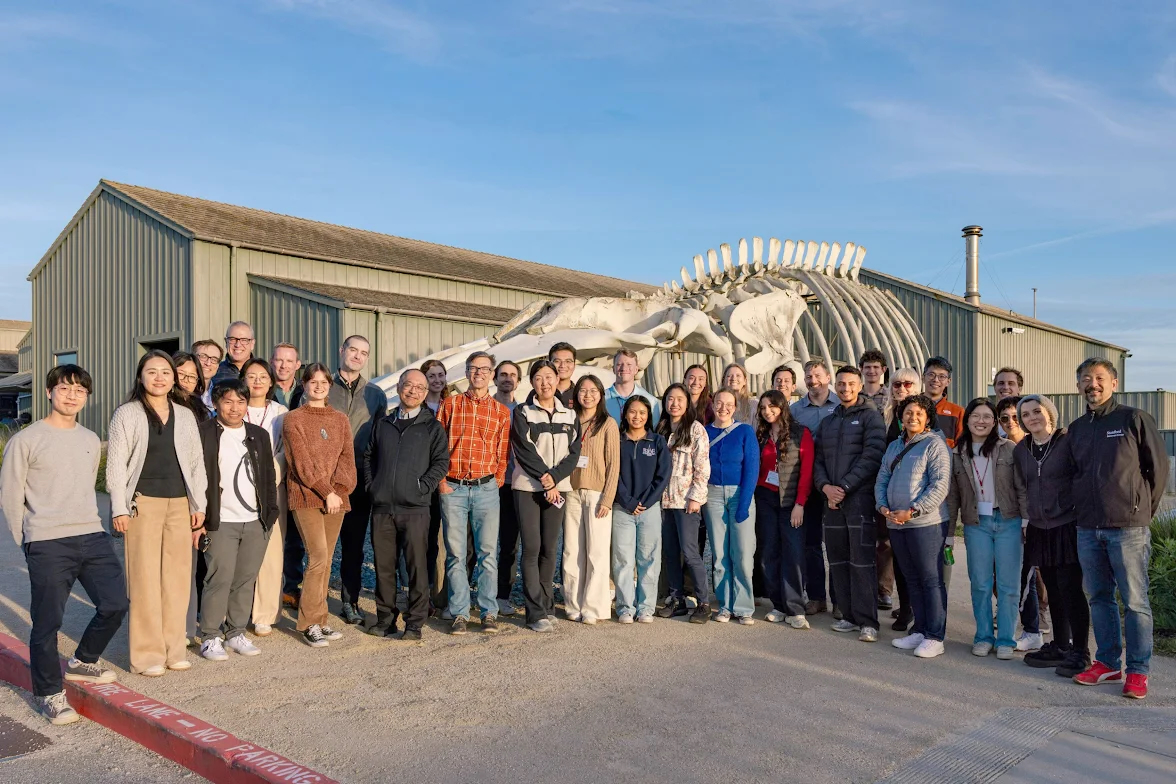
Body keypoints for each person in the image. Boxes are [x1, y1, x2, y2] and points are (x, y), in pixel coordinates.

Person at [0, 365, 128, 725]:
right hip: (47, 540)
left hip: (91, 534)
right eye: (64, 388)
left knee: (115, 603)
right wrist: (28, 543)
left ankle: (83, 661)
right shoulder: (25, 441)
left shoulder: (89, 439)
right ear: (48, 392)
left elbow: (86, 487)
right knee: (46, 623)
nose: (72, 395)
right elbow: (10, 499)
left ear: (86, 397)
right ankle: (49, 694)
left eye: (79, 390)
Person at [1066, 358, 1168, 699]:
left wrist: (1141, 511)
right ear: (1078, 385)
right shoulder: (1078, 428)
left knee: (1135, 602)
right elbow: (1074, 475)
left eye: (1098, 378)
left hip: (1128, 528)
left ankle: (1138, 671)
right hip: (1088, 528)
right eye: (1085, 379)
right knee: (1099, 597)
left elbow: (1158, 469)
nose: (1091, 384)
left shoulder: (1133, 419)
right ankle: (1108, 663)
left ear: (1113, 382)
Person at [107, 351, 207, 676]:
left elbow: (196, 465)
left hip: (179, 504)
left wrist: (199, 505)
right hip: (142, 503)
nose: (160, 377)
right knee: (144, 580)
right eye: (152, 372)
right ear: (141, 377)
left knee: (177, 580)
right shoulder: (127, 414)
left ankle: (174, 649)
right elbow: (116, 465)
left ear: (174, 378)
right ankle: (148, 656)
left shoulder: (185, 415)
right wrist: (118, 507)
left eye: (166, 372)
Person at [363, 369, 449, 641]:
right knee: (384, 566)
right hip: (382, 508)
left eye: (419, 388)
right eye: (407, 385)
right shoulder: (384, 423)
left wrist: (422, 487)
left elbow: (440, 463)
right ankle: (385, 619)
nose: (412, 391)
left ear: (425, 394)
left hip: (415, 509)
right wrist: (372, 486)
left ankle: (414, 623)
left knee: (416, 566)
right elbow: (368, 457)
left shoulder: (432, 426)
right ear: (399, 387)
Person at [197, 379, 279, 661]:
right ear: (216, 403)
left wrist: (270, 512)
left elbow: (268, 475)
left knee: (245, 578)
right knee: (218, 577)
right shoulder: (204, 432)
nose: (234, 407)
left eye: (240, 401)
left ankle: (235, 632)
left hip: (255, 520)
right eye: (228, 401)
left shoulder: (258, 434)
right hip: (220, 520)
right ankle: (209, 636)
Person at [1014, 394, 1090, 678]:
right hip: (1038, 527)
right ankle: (1060, 644)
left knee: (1071, 590)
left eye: (1037, 411)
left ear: (1049, 413)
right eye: (1026, 415)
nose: (1032, 418)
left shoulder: (1067, 441)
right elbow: (1023, 485)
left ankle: (1080, 651)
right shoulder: (1022, 449)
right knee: (1053, 590)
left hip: (1067, 525)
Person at [946, 398, 1027, 660]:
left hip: (1008, 521)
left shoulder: (1008, 449)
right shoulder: (958, 453)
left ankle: (1006, 638)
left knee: (1008, 584)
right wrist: (949, 534)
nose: (981, 421)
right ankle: (983, 636)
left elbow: (1021, 488)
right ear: (967, 420)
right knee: (980, 583)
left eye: (987, 417)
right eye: (975, 416)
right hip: (976, 525)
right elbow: (953, 497)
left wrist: (1026, 522)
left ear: (994, 422)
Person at [283, 363, 357, 648]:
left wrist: (338, 491)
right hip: (306, 496)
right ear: (304, 385)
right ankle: (309, 623)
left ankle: (321, 619)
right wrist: (326, 491)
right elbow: (301, 464)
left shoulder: (340, 420)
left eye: (323, 381)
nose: (318, 385)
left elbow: (347, 460)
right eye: (312, 381)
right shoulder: (294, 419)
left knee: (326, 563)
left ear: (329, 386)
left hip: (336, 499)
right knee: (317, 558)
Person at [437, 351, 511, 635]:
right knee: (455, 554)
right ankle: (459, 613)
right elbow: (439, 445)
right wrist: (442, 481)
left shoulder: (501, 412)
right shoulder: (450, 404)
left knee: (488, 553)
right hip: (453, 487)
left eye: (484, 368)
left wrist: (497, 479)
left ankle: (488, 611)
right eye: (473, 368)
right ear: (466, 373)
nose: (479, 372)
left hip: (486, 488)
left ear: (491, 374)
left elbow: (502, 452)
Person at [875, 394, 952, 659]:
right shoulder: (894, 447)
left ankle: (935, 635)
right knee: (912, 579)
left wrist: (913, 510)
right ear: (901, 416)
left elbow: (939, 485)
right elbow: (882, 478)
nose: (913, 417)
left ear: (928, 417)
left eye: (919, 413)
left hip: (926, 523)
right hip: (896, 523)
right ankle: (919, 629)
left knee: (931, 579)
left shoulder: (934, 445)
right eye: (908, 412)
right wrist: (883, 506)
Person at [814, 366, 887, 642]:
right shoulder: (829, 421)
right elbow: (818, 459)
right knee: (839, 560)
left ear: (859, 386)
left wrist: (843, 487)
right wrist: (826, 488)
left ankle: (868, 622)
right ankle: (847, 615)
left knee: (862, 561)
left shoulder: (871, 418)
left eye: (851, 384)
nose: (845, 388)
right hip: (831, 501)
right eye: (841, 384)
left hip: (858, 500)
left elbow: (872, 456)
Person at [511, 359, 581, 632]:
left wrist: (555, 479)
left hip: (557, 489)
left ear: (557, 379)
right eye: (538, 378)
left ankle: (548, 604)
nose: (545, 382)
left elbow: (573, 453)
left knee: (550, 549)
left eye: (549, 377)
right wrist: (546, 479)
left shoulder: (570, 415)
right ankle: (534, 612)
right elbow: (524, 449)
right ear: (532, 383)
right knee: (531, 548)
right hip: (528, 488)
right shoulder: (523, 412)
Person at [331, 335, 389, 626]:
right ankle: (309, 600)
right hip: (325, 482)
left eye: (363, 352)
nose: (357, 356)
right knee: (320, 547)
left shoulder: (376, 395)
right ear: (342, 350)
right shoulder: (321, 386)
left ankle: (349, 601)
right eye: (352, 349)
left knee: (353, 546)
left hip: (357, 483)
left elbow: (380, 440)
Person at [753, 390, 815, 629]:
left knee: (793, 552)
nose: (767, 411)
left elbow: (806, 472)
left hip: (791, 501)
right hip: (765, 498)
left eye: (772, 406)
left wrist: (800, 504)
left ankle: (795, 608)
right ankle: (778, 604)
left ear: (782, 407)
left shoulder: (801, 433)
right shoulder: (761, 434)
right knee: (768, 551)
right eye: (763, 407)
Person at [238, 359, 289, 636]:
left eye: (262, 376)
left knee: (271, 551)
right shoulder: (234, 407)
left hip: (273, 486)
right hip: (236, 487)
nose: (256, 381)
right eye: (250, 376)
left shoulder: (281, 413)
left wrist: (270, 474)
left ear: (271, 382)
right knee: (239, 549)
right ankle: (236, 610)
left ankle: (265, 613)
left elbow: (286, 450)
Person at [564, 375, 619, 624]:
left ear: (600, 394)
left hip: (597, 494)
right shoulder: (569, 420)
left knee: (596, 552)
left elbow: (614, 464)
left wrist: (608, 498)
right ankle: (573, 604)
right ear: (576, 395)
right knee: (572, 551)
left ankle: (594, 608)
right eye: (582, 390)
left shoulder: (608, 424)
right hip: (571, 491)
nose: (588, 395)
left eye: (593, 390)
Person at [612, 397, 672, 624]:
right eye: (633, 412)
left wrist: (646, 502)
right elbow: (612, 473)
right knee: (623, 559)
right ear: (625, 414)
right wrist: (627, 501)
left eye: (642, 413)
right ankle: (625, 607)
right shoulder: (617, 441)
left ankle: (646, 608)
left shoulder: (656, 441)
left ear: (648, 416)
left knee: (648, 559)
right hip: (622, 509)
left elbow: (663, 475)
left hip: (649, 509)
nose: (637, 417)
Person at [881, 368, 933, 631]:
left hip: (918, 504)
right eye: (896, 383)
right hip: (892, 500)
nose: (901, 387)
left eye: (907, 383)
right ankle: (907, 608)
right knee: (899, 559)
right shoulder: (888, 416)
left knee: (918, 563)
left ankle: (922, 615)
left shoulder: (923, 420)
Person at [703, 388, 759, 624]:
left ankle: (744, 607)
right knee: (720, 554)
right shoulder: (704, 432)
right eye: (719, 402)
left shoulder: (745, 431)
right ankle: (725, 605)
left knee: (743, 554)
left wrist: (744, 503)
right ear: (713, 404)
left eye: (729, 404)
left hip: (740, 494)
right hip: (712, 494)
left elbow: (752, 467)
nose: (723, 407)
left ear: (735, 407)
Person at [656, 383, 711, 623]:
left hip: (686, 501)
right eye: (670, 398)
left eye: (679, 399)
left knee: (690, 553)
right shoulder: (661, 428)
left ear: (687, 403)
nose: (674, 403)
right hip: (664, 501)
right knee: (670, 553)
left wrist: (696, 497)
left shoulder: (696, 429)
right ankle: (676, 599)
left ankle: (703, 603)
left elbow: (702, 466)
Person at [791, 358, 839, 616]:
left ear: (828, 377)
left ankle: (840, 600)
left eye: (817, 375)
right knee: (811, 543)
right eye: (808, 376)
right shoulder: (796, 410)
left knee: (836, 544)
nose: (813, 380)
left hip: (835, 482)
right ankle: (817, 597)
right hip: (809, 481)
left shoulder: (841, 405)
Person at [492, 360, 524, 614]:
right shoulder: (487, 407)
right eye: (503, 374)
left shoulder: (523, 411)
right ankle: (480, 592)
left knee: (509, 543)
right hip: (487, 484)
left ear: (519, 381)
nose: (507, 378)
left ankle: (503, 595)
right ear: (495, 379)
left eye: (512, 375)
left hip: (514, 484)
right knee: (481, 543)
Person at [420, 358, 448, 609]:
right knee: (427, 539)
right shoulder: (417, 408)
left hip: (449, 481)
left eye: (441, 375)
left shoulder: (451, 406)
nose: (437, 380)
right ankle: (425, 592)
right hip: (424, 481)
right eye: (432, 376)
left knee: (449, 540)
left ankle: (444, 594)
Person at [604, 350, 660, 424]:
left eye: (629, 364)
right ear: (613, 369)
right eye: (619, 364)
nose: (624, 368)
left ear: (636, 370)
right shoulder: (600, 399)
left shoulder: (651, 401)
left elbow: (654, 431)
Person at [922, 357, 964, 448]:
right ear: (923, 377)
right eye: (931, 374)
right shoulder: (912, 408)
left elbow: (961, 447)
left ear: (948, 382)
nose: (936, 380)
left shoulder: (958, 412)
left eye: (942, 376)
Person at [211, 321, 256, 388]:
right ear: (226, 342)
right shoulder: (214, 372)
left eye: (244, 340)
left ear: (252, 344)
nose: (237, 345)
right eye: (232, 339)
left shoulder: (263, 372)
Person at [172, 352, 210, 424]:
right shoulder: (163, 404)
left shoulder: (200, 409)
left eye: (192, 377)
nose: (186, 380)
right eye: (181, 374)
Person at [192, 339, 224, 412]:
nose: (208, 363)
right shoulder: (181, 391)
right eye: (203, 357)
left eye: (214, 359)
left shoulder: (221, 394)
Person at [270, 343, 302, 408]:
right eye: (279, 360)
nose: (283, 366)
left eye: (289, 361)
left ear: (297, 365)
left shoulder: (305, 391)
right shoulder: (261, 390)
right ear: (271, 362)